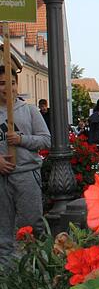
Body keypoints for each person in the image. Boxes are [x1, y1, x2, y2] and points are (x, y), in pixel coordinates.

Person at [0, 64, 51, 268]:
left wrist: (22, 140)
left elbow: (46, 140)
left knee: (32, 225)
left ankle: (38, 270)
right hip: (2, 179)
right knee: (3, 229)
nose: (7, 88)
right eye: (2, 84)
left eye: (11, 83)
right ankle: (6, 276)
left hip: (27, 175)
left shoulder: (29, 111)